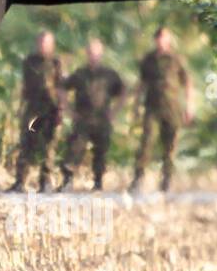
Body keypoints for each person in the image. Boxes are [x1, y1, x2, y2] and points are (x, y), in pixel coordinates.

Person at [132, 26, 195, 193]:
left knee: (169, 146)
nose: (161, 41)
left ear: (169, 40)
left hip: (172, 108)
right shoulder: (148, 59)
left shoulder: (176, 59)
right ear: (155, 40)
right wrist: (135, 106)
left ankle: (166, 181)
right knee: (146, 143)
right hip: (152, 107)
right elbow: (141, 84)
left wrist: (189, 106)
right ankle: (138, 179)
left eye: (164, 37)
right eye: (158, 37)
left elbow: (187, 83)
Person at [58, 38, 125, 191]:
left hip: (102, 118)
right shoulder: (80, 73)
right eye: (91, 52)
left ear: (101, 54)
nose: (93, 56)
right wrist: (68, 109)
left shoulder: (109, 74)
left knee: (101, 151)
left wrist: (115, 112)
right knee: (75, 148)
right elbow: (62, 88)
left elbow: (122, 91)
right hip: (83, 118)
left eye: (96, 53)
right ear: (87, 54)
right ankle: (67, 181)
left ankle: (98, 183)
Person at [9, 31, 63, 193]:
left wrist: (61, 110)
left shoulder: (56, 63)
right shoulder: (29, 62)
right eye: (40, 43)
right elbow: (24, 86)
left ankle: (45, 182)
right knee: (26, 144)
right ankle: (20, 182)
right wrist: (19, 107)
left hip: (50, 109)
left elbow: (61, 88)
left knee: (48, 146)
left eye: (46, 43)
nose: (43, 46)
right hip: (32, 108)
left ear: (52, 45)